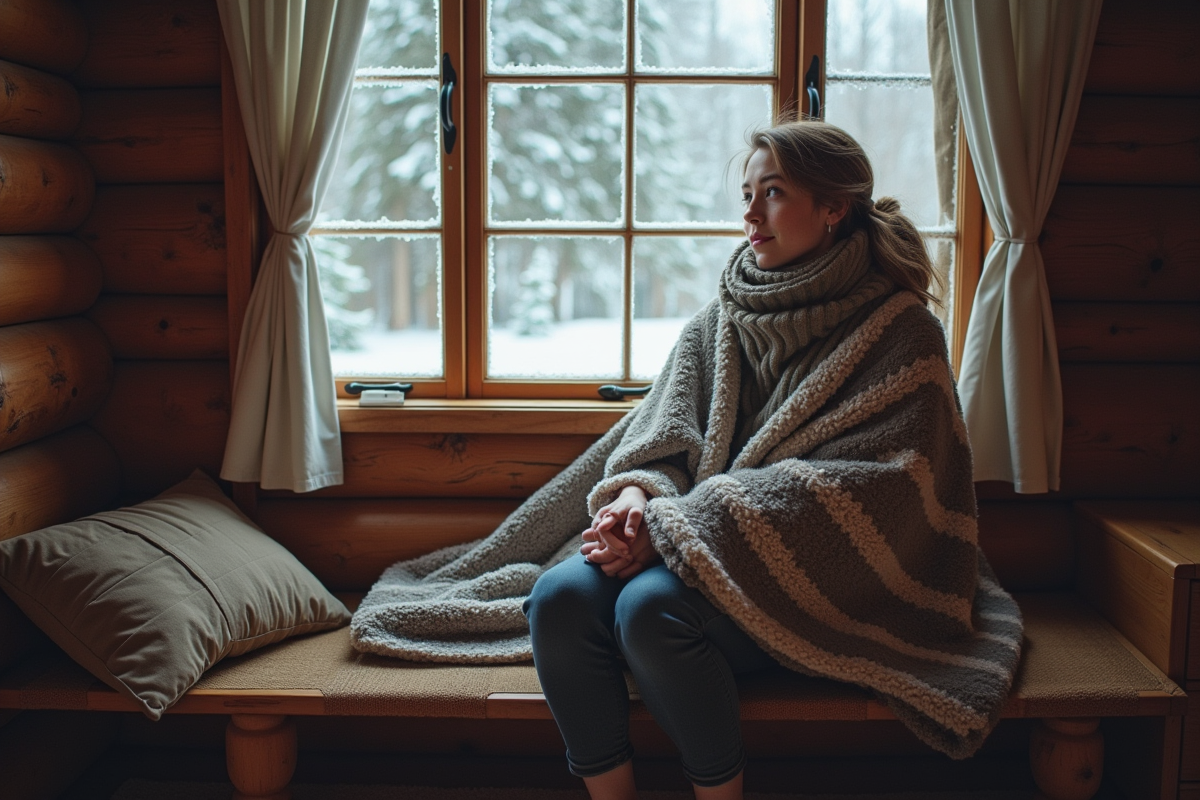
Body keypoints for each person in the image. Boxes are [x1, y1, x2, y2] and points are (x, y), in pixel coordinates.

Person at [352, 119, 1020, 800]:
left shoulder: (903, 331)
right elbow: (663, 438)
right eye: (747, 194)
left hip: (815, 585)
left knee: (649, 612)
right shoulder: (720, 319)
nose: (750, 213)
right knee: (557, 597)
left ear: (833, 209)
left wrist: (676, 529)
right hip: (681, 541)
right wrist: (633, 503)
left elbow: (890, 490)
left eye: (774, 193)